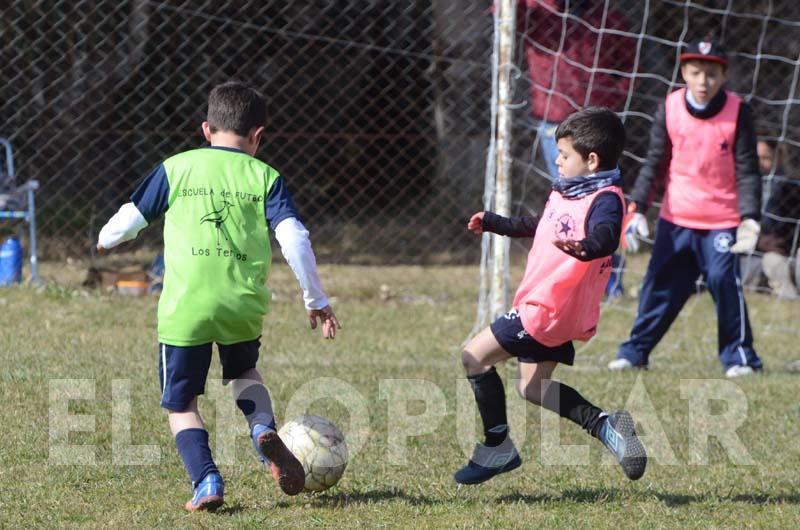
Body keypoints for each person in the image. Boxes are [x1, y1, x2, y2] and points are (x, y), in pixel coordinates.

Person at [96, 81, 341, 511]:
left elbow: (129, 220)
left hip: (185, 308)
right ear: (258, 136)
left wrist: (106, 239)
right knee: (244, 370)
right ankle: (262, 426)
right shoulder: (265, 176)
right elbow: (295, 238)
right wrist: (314, 298)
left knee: (181, 403)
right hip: (241, 304)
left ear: (206, 129)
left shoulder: (177, 167)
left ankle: (207, 480)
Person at [454, 107, 646, 486]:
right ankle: (606, 425)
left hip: (546, 310)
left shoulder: (605, 198)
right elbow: (537, 225)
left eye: (564, 155)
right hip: (557, 313)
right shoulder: (569, 191)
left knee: (473, 357)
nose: (557, 161)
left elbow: (607, 234)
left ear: (591, 161)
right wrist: (495, 223)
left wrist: (588, 247)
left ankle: (497, 447)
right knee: (533, 387)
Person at [612, 38, 763, 378]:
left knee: (724, 281)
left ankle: (739, 357)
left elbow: (749, 169)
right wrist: (636, 209)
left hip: (721, 221)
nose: (703, 81)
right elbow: (654, 163)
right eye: (695, 73)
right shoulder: (669, 107)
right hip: (676, 219)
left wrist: (750, 217)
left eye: (711, 74)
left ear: (723, 76)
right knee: (659, 286)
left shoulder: (739, 111)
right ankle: (635, 352)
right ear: (684, 73)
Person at [518, 0, 636, 299]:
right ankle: (572, 275)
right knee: (569, 202)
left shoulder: (606, 14)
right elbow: (507, 18)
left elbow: (628, 61)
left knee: (604, 202)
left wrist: (612, 99)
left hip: (597, 125)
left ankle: (608, 278)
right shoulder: (536, 10)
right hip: (555, 122)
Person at [740, 138, 800, 298]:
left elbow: (792, 227)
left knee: (774, 261)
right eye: (756, 157)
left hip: (781, 251)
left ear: (778, 158)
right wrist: (756, 242)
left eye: (765, 158)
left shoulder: (791, 188)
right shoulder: (740, 185)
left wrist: (778, 244)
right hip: (745, 250)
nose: (759, 163)